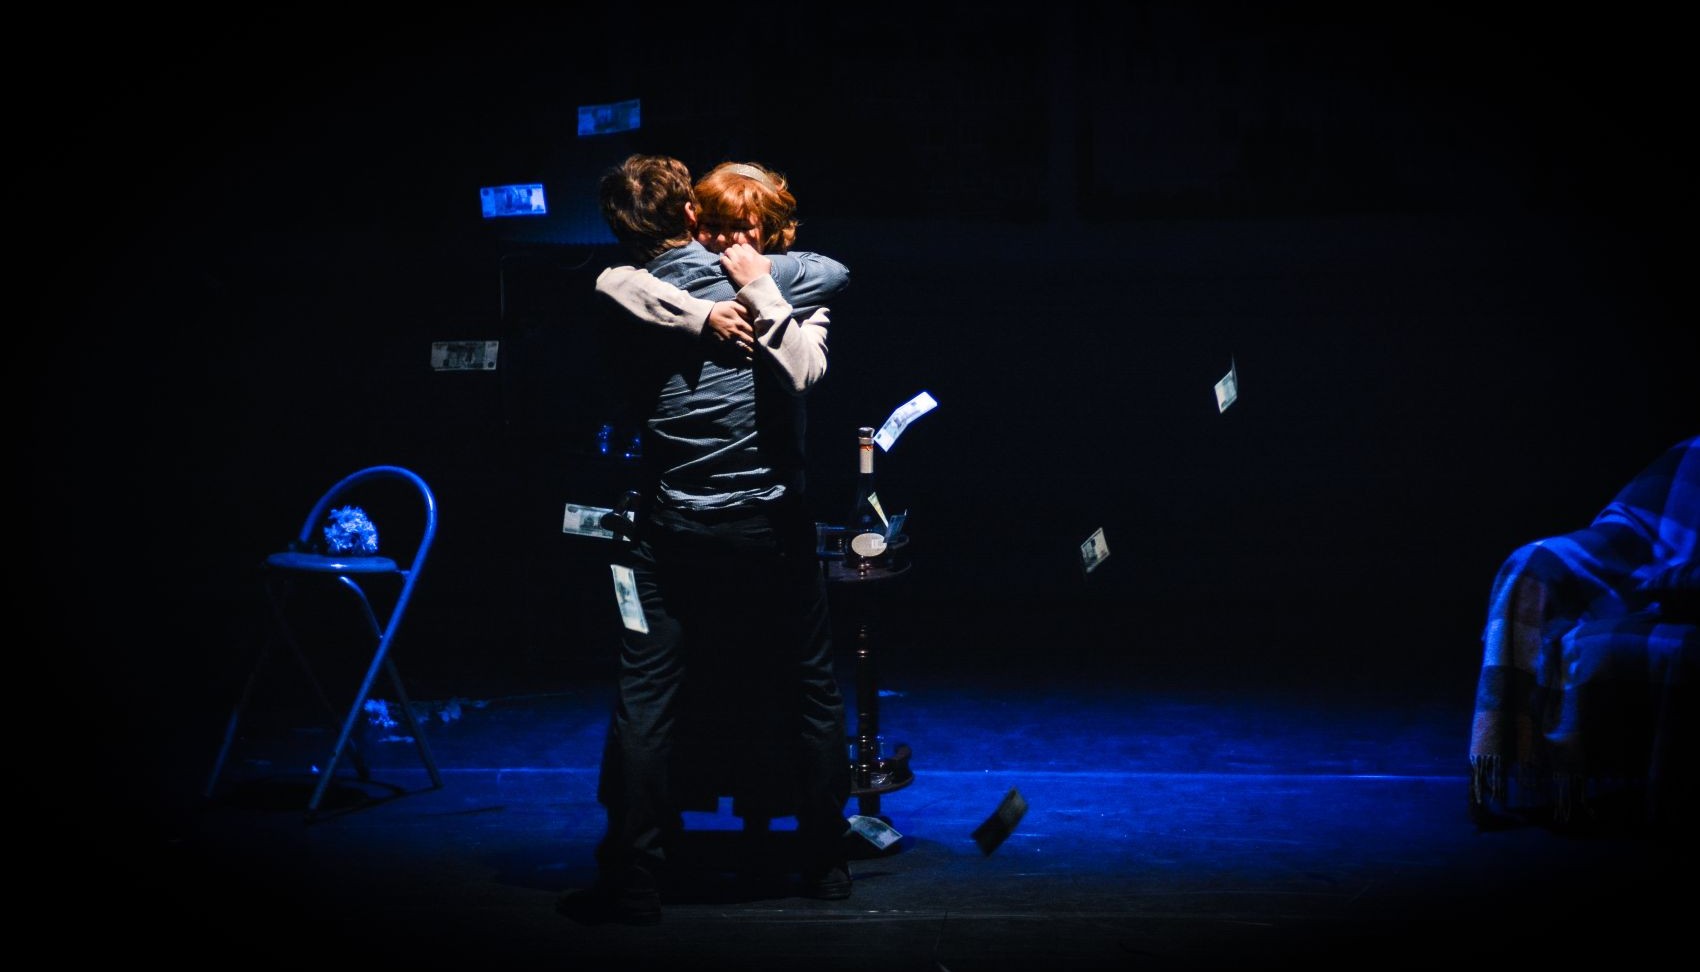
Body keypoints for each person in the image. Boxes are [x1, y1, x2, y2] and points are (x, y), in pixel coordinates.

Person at [569, 155, 853, 925]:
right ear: (695, 216)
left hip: (673, 529)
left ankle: (635, 876)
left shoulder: (630, 288)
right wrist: (751, 284)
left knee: (646, 698)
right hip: (767, 530)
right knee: (811, 689)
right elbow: (837, 271)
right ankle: (825, 859)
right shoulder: (775, 278)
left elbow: (611, 283)